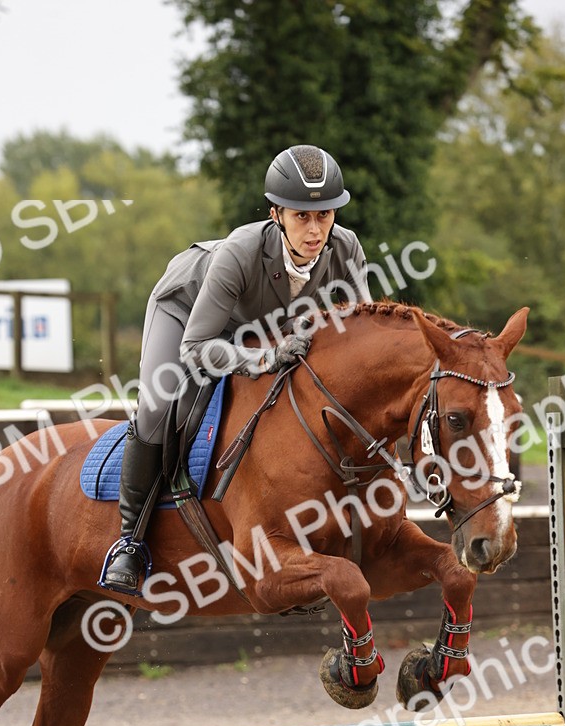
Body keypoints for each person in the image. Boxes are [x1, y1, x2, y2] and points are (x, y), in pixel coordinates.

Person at [99, 143, 371, 595]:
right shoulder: (240, 252)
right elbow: (197, 347)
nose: (315, 229)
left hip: (261, 322)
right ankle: (130, 540)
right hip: (188, 312)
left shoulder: (346, 249)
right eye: (302, 216)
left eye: (324, 215)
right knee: (159, 401)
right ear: (276, 214)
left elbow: (359, 333)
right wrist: (261, 359)